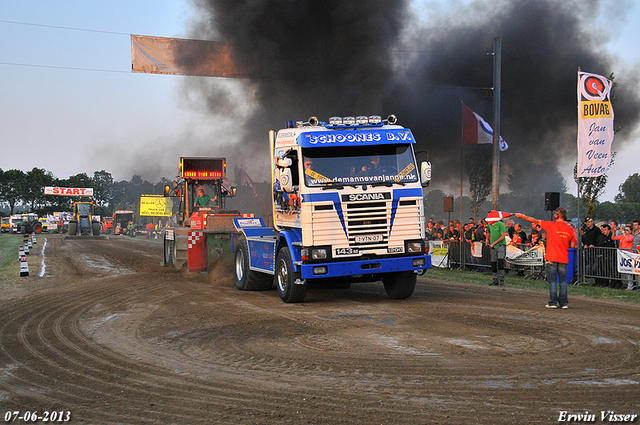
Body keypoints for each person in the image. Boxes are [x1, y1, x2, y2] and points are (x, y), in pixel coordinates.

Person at [515, 208, 576, 309]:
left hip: (551, 257)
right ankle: (564, 303)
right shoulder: (570, 230)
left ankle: (552, 303)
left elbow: (535, 221)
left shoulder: (551, 225)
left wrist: (523, 216)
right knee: (563, 281)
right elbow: (572, 245)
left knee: (552, 281)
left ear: (556, 216)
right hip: (563, 258)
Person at [612, 225, 636, 291]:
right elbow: (613, 238)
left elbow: (628, 239)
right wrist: (614, 232)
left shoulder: (631, 237)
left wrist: (622, 232)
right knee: (624, 270)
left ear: (631, 231)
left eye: (627, 230)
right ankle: (626, 284)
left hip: (628, 255)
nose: (625, 231)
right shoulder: (622, 236)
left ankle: (630, 286)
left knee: (629, 271)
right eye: (625, 230)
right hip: (622, 255)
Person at [486, 215, 508, 286]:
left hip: (500, 245)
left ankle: (501, 279)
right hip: (493, 246)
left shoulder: (500, 224)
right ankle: (495, 279)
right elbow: (488, 232)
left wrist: (494, 243)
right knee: (493, 263)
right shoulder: (489, 225)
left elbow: (503, 236)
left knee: (500, 261)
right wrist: (487, 239)